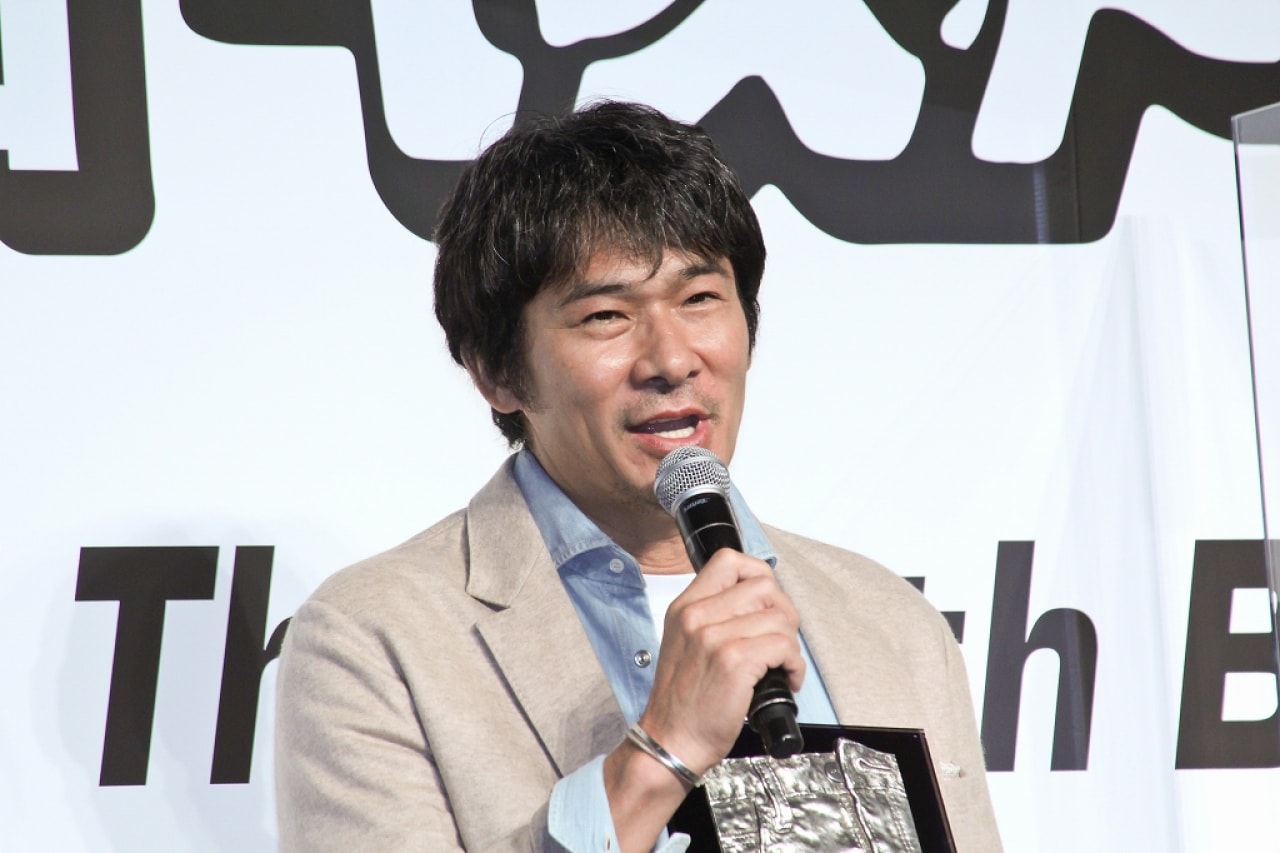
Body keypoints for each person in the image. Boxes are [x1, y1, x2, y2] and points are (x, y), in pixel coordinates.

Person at [274, 101, 1002, 851]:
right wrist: (663, 751)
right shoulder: (373, 641)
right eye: (606, 316)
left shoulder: (893, 624)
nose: (672, 359)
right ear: (496, 371)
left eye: (699, 299)